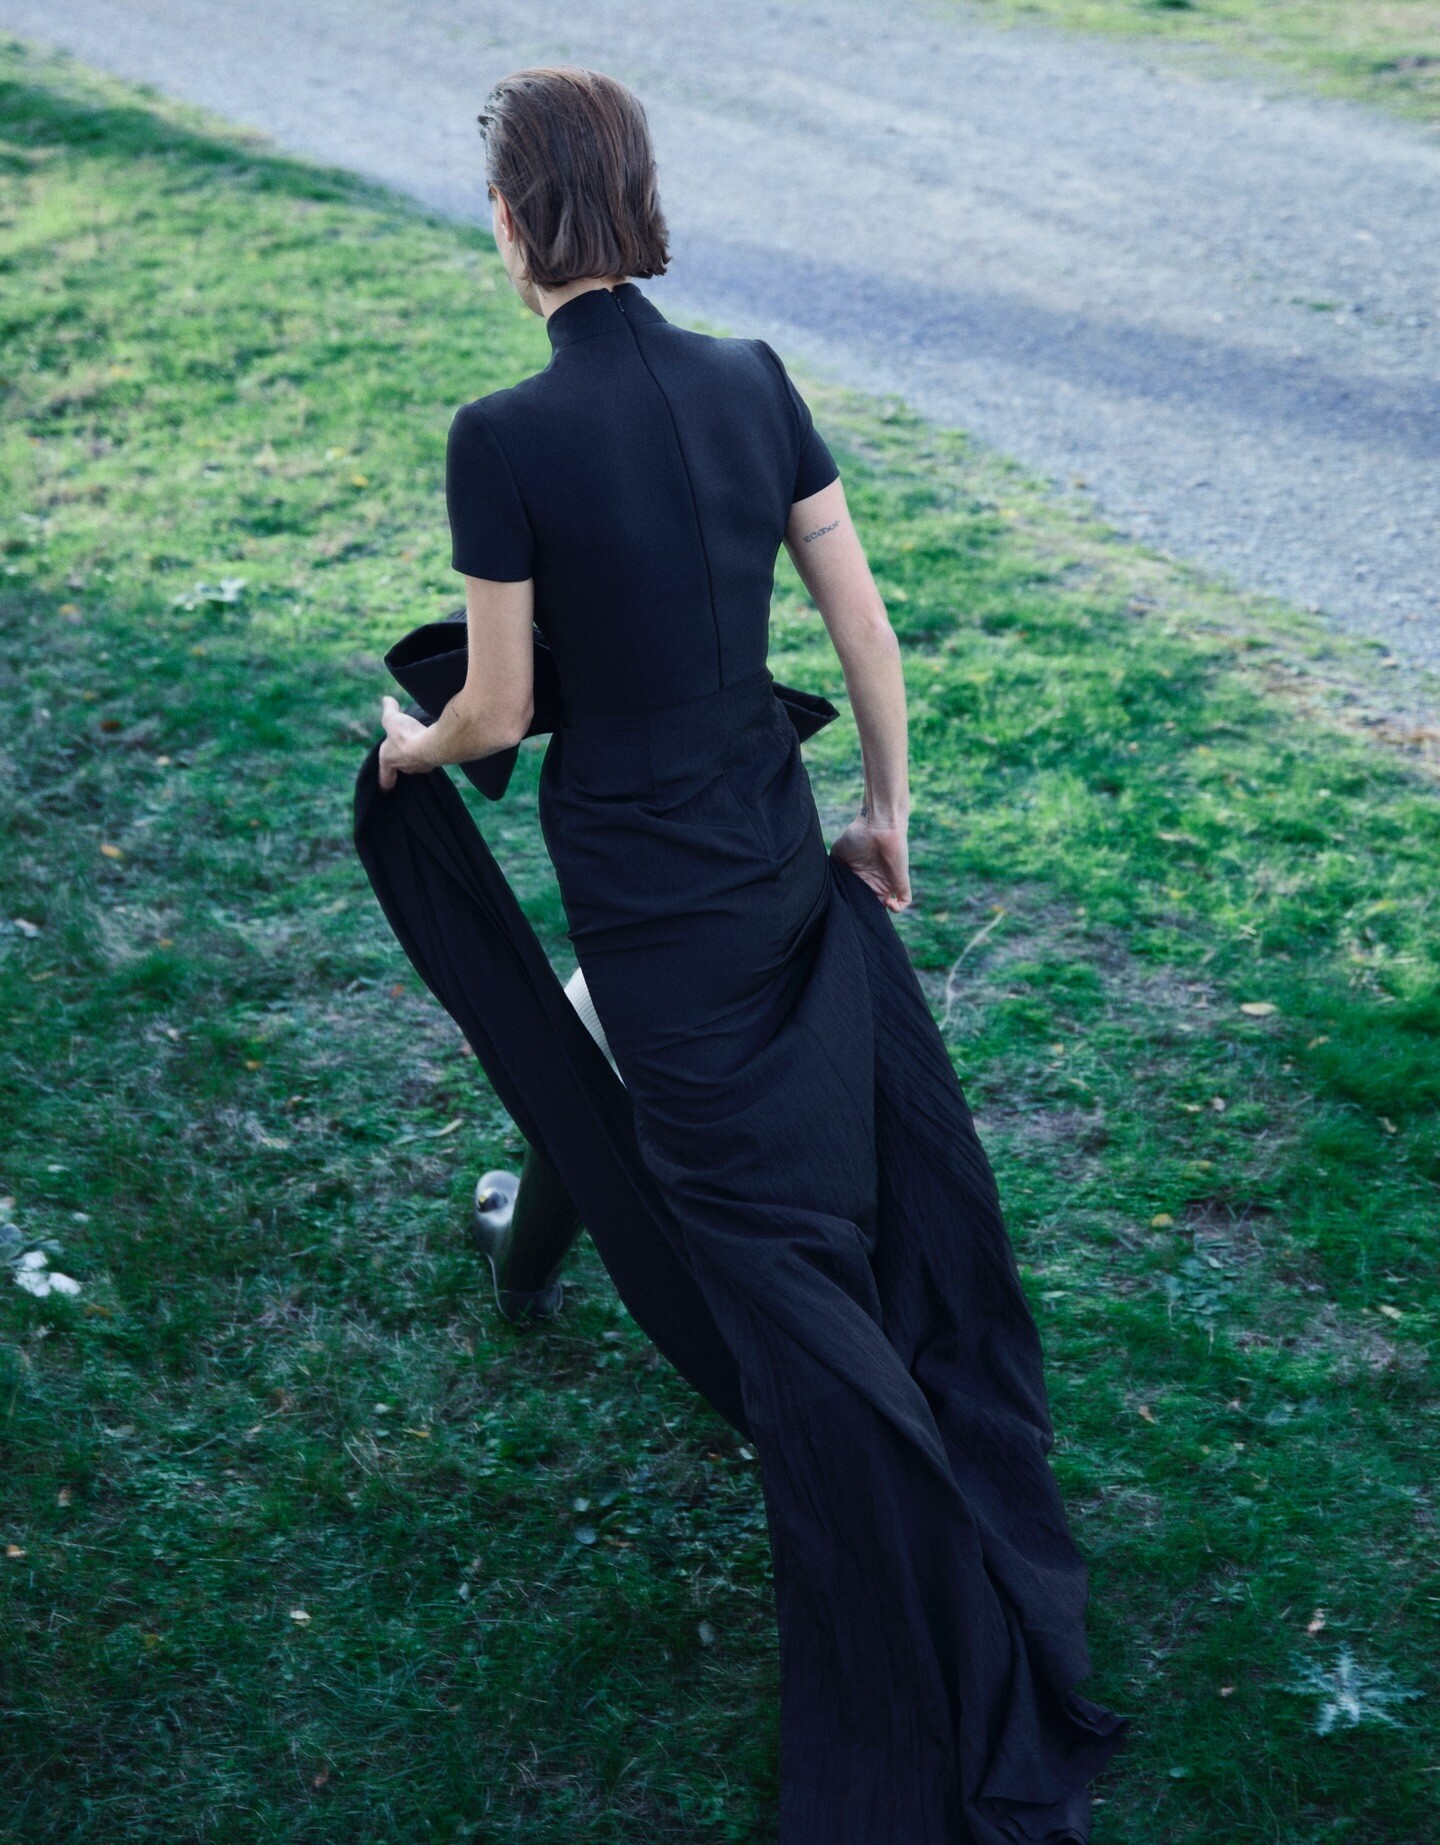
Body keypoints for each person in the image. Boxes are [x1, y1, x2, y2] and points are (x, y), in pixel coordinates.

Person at [364, 64, 1127, 1844]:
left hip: (650, 885)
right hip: (771, 846)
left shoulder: (502, 435)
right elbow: (865, 626)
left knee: (763, 1242)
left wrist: (408, 748)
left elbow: (497, 711)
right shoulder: (753, 377)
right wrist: (885, 813)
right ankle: (525, 1249)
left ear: (513, 219)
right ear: (637, 195)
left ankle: (901, 1554)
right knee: (633, 1078)